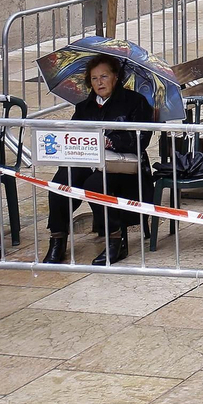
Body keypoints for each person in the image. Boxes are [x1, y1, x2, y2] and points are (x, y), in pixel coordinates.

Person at [41, 54, 155, 266]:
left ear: (115, 77)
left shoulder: (135, 102)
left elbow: (141, 140)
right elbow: (73, 137)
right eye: (94, 78)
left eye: (104, 76)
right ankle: (57, 239)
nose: (99, 82)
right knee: (60, 181)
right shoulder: (84, 107)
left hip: (122, 165)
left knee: (96, 184)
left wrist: (110, 142)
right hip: (88, 160)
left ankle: (115, 241)